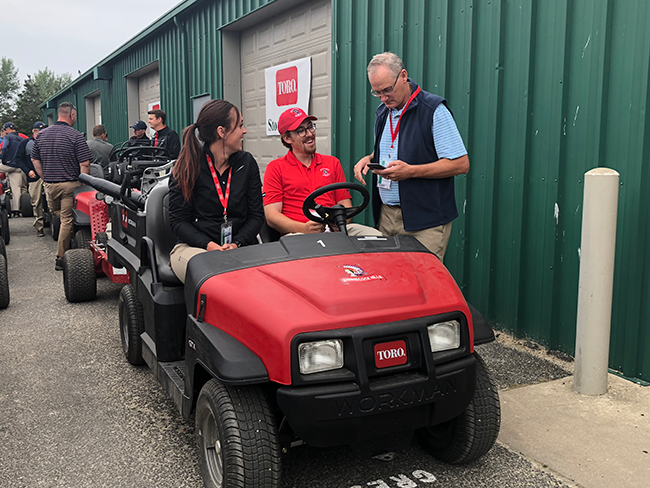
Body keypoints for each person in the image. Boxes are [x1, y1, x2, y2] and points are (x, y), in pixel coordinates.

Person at [353, 52, 470, 261]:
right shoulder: (382, 112)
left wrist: (411, 172)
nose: (383, 98)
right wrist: (370, 158)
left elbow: (460, 164)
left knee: (423, 284)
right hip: (387, 216)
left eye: (387, 90)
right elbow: (399, 149)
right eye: (377, 92)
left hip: (424, 221)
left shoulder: (433, 110)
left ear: (404, 75)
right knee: (389, 280)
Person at [168, 99, 263, 283]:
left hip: (240, 246)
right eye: (240, 125)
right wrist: (210, 246)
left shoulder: (247, 163)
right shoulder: (187, 166)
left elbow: (256, 216)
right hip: (194, 248)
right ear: (222, 132)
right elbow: (178, 222)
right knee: (215, 276)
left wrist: (236, 243)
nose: (244, 131)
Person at [264, 107, 382, 236]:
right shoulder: (276, 168)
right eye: (301, 131)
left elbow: (345, 204)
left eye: (310, 127)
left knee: (375, 236)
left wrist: (340, 222)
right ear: (287, 138)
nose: (309, 134)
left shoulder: (332, 163)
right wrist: (303, 228)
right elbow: (272, 216)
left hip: (333, 229)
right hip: (299, 232)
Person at [31, 102, 91, 270]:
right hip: (70, 185)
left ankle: (63, 251)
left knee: (56, 214)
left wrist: (44, 177)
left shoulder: (41, 135)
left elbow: (34, 159)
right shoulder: (76, 136)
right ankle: (61, 257)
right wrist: (85, 184)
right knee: (66, 219)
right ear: (72, 115)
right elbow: (85, 164)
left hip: (50, 185)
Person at [14, 122, 47, 236]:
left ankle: (55, 222)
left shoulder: (48, 142)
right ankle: (39, 226)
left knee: (53, 199)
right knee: (36, 201)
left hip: (48, 175)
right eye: (40, 131)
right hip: (34, 177)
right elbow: (18, 159)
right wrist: (28, 171)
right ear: (34, 131)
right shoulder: (25, 143)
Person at [0, 122, 29, 216]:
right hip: (18, 166)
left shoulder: (8, 137)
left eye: (5, 129)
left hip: (9, 165)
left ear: (8, 129)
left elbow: (4, 148)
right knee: (16, 188)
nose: (5, 131)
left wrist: (4, 160)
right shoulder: (21, 138)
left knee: (15, 188)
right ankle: (16, 210)